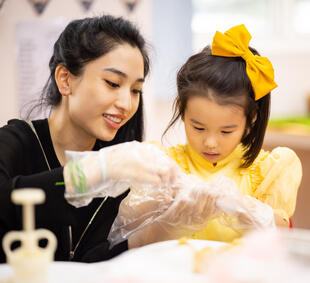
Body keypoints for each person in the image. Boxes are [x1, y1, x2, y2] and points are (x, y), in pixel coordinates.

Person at [0, 15, 178, 263]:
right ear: (65, 79)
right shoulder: (15, 142)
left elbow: (88, 261)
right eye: (113, 83)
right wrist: (87, 175)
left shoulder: (116, 163)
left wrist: (154, 231)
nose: (126, 104)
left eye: (135, 90)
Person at [108, 24, 302, 247]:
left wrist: (244, 208)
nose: (210, 143)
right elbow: (130, 230)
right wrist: (162, 211)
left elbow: (281, 236)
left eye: (226, 131)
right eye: (198, 127)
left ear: (251, 120)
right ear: (182, 109)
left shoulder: (270, 170)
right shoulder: (163, 166)